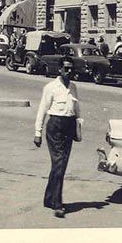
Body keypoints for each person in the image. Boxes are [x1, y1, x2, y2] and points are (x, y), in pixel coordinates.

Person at [34, 55, 81, 218]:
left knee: (61, 165)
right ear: (60, 69)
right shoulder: (51, 87)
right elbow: (42, 109)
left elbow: (77, 109)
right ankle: (57, 203)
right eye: (66, 68)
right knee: (59, 163)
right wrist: (37, 132)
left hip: (68, 126)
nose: (69, 71)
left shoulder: (74, 87)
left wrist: (78, 129)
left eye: (71, 68)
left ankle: (48, 198)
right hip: (55, 127)